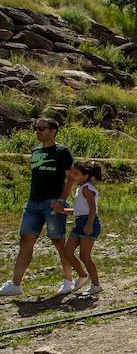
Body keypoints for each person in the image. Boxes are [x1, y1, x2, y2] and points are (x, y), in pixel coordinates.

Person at [0, 118, 81, 297]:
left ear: (53, 131)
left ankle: (68, 281)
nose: (37, 131)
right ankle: (15, 284)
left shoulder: (62, 152)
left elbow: (72, 178)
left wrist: (61, 200)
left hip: (53, 202)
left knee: (58, 241)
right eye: (36, 128)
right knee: (25, 239)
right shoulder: (35, 151)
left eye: (41, 128)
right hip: (33, 203)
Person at [62, 161, 103, 295]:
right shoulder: (81, 188)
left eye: (76, 174)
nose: (73, 176)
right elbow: (80, 210)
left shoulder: (86, 188)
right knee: (67, 251)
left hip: (88, 221)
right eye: (72, 173)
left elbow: (92, 209)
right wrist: (63, 210)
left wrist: (89, 224)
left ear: (85, 176)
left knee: (85, 256)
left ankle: (96, 285)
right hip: (80, 221)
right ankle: (82, 275)